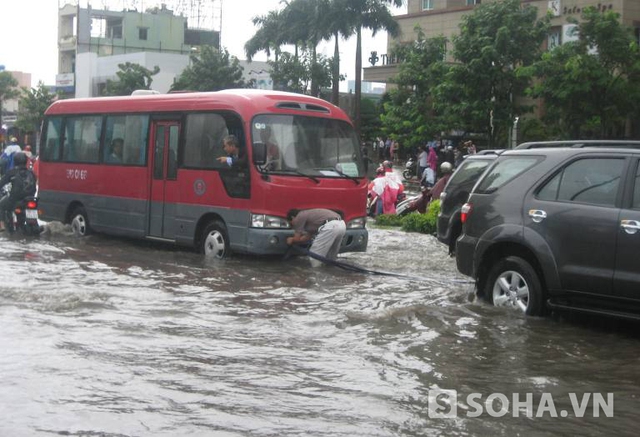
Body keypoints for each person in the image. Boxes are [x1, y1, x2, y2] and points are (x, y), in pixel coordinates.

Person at [0, 152, 37, 232]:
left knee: (1, 205)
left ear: (15, 161)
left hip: (15, 199)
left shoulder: (12, 172)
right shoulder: (31, 173)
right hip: (30, 199)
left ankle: (1, 226)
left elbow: (2, 183)